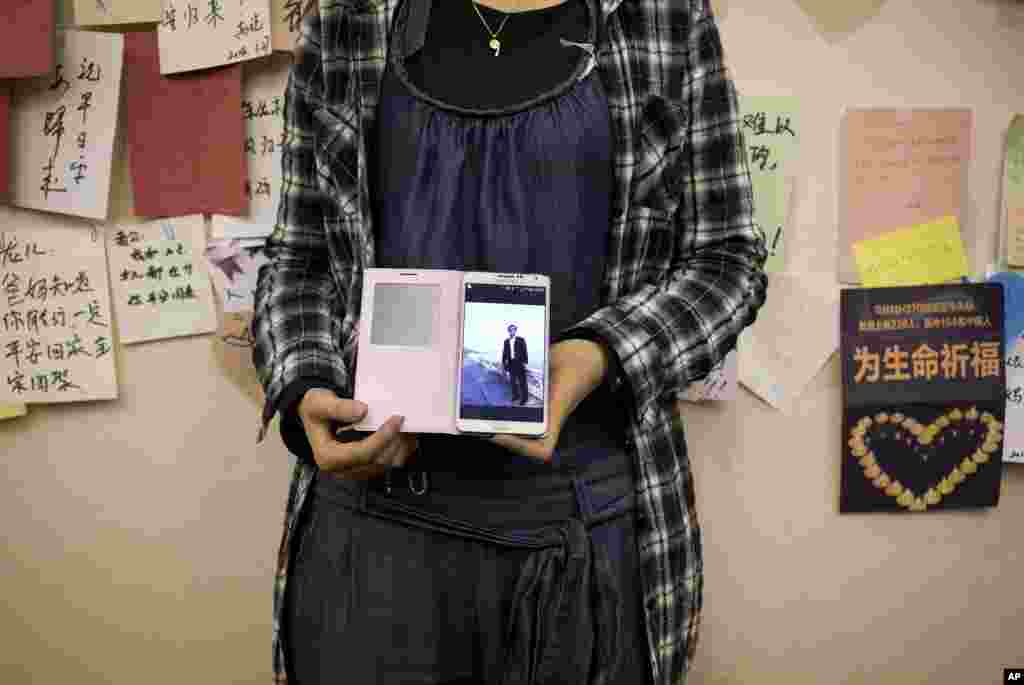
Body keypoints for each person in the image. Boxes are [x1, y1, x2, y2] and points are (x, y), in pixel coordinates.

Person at [251, 0, 768, 682]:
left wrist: (600, 354)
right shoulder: (347, 17)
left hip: (582, 530)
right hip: (373, 534)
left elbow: (726, 260)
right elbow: (301, 258)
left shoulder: (662, 17)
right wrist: (306, 386)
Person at [502, 323, 529, 404]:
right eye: (510, 330)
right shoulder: (506, 341)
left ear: (515, 331)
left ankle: (524, 399)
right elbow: (504, 353)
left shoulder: (521, 339)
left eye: (513, 329)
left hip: (519, 363)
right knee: (513, 382)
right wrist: (503, 363)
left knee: (522, 382)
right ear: (508, 331)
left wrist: (525, 362)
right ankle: (516, 396)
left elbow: (525, 351)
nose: (512, 331)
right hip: (511, 363)